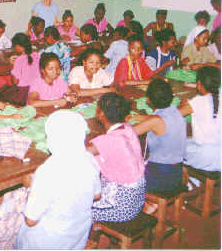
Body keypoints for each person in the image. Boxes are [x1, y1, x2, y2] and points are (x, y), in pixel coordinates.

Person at [16, 110, 101, 249]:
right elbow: (97, 195)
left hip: (48, 241)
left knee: (16, 220)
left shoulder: (47, 172)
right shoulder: (90, 160)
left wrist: (29, 188)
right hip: (77, 238)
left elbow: (31, 220)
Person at [87, 93, 146, 222]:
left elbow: (80, 154)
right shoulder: (128, 129)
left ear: (101, 114)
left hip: (122, 208)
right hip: (138, 200)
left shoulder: (107, 140)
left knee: (76, 208)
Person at [128, 79, 186, 195]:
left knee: (124, 172)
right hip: (176, 173)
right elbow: (159, 120)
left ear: (148, 100)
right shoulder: (175, 111)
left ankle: (147, 205)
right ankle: (153, 206)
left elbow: (126, 135)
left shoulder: (155, 121)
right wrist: (139, 117)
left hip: (161, 178)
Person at [178, 66, 221, 172]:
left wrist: (182, 104)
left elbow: (174, 115)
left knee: (174, 144)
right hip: (219, 154)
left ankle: (184, 178)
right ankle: (195, 180)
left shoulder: (198, 101)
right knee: (190, 139)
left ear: (199, 84)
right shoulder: (217, 99)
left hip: (206, 156)